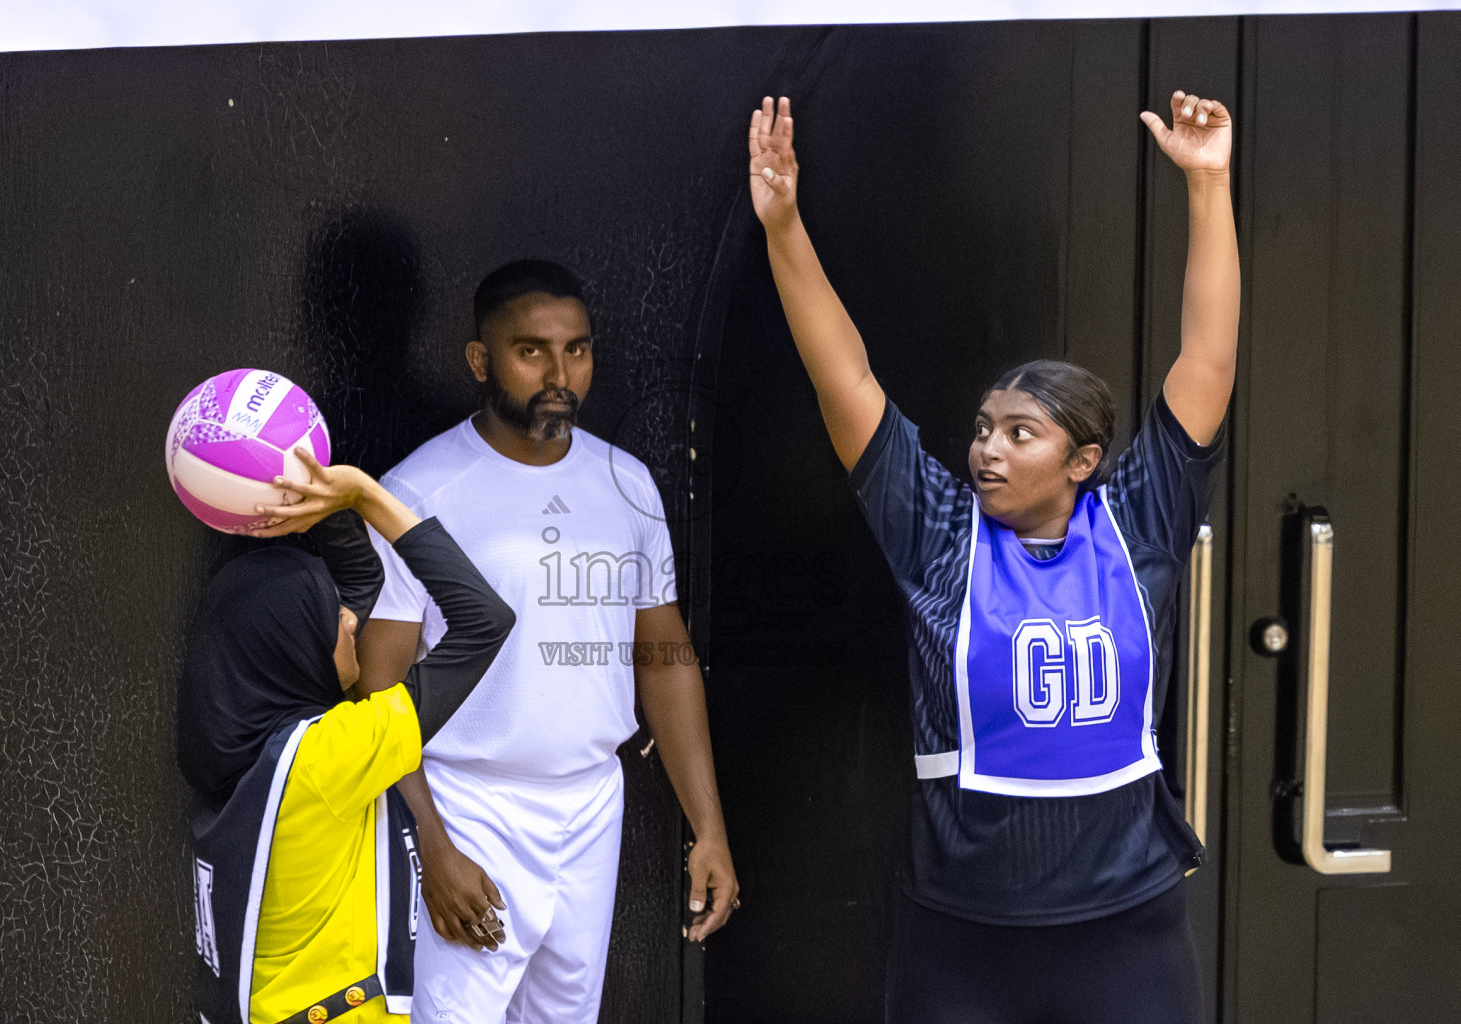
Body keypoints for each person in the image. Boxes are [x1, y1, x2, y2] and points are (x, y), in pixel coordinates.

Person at [747, 90, 1238, 1024]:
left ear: (1083, 462)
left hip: (1126, 930)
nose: (987, 449)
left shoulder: (1138, 523)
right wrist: (783, 227)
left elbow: (1206, 362)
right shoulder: (940, 531)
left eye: (1020, 433)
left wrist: (1208, 186)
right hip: (963, 936)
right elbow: (844, 377)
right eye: (981, 430)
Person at [355, 260, 739, 1024]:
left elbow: (662, 656)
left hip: (592, 801)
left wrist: (709, 826)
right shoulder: (417, 492)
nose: (560, 373)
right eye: (531, 351)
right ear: (480, 361)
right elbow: (377, 687)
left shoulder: (626, 481)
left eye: (578, 350)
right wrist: (429, 841)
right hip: (468, 805)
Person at [178, 453, 515, 1024]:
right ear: (295, 650)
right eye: (330, 614)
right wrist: (365, 497)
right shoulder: (330, 760)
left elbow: (361, 582)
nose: (354, 620)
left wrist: (320, 500)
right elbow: (485, 619)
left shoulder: (241, 746)